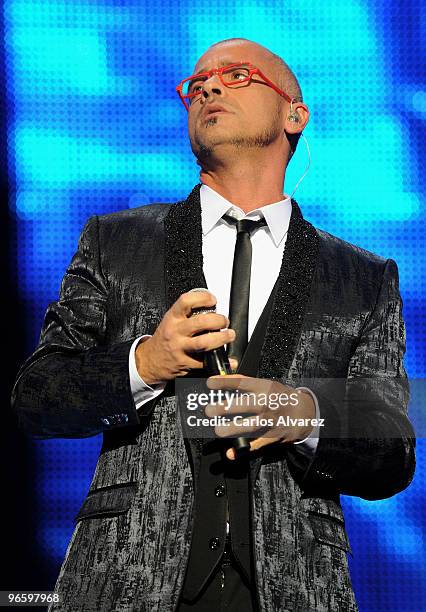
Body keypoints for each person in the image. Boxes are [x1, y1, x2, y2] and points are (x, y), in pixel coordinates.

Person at [11, 38, 415, 612]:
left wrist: (305, 413)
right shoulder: (115, 241)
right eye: (195, 85)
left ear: (294, 114)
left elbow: (392, 447)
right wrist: (143, 363)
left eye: (237, 75)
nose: (209, 87)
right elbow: (35, 397)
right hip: (130, 579)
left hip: (296, 586)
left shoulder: (363, 276)